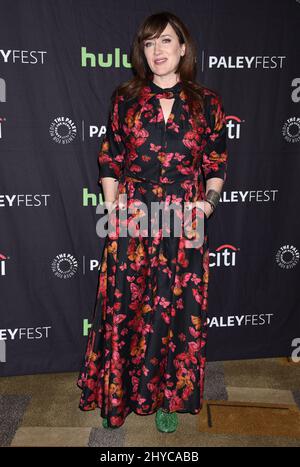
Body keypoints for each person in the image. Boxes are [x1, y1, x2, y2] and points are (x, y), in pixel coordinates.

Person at [77, 11, 228, 433]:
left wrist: (207, 205)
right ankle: (119, 396)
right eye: (149, 43)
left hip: (184, 220)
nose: (157, 51)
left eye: (165, 41)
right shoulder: (125, 99)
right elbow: (110, 159)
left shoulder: (207, 103)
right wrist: (111, 213)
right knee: (127, 307)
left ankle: (166, 399)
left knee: (176, 310)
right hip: (134, 216)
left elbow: (216, 160)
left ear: (183, 48)